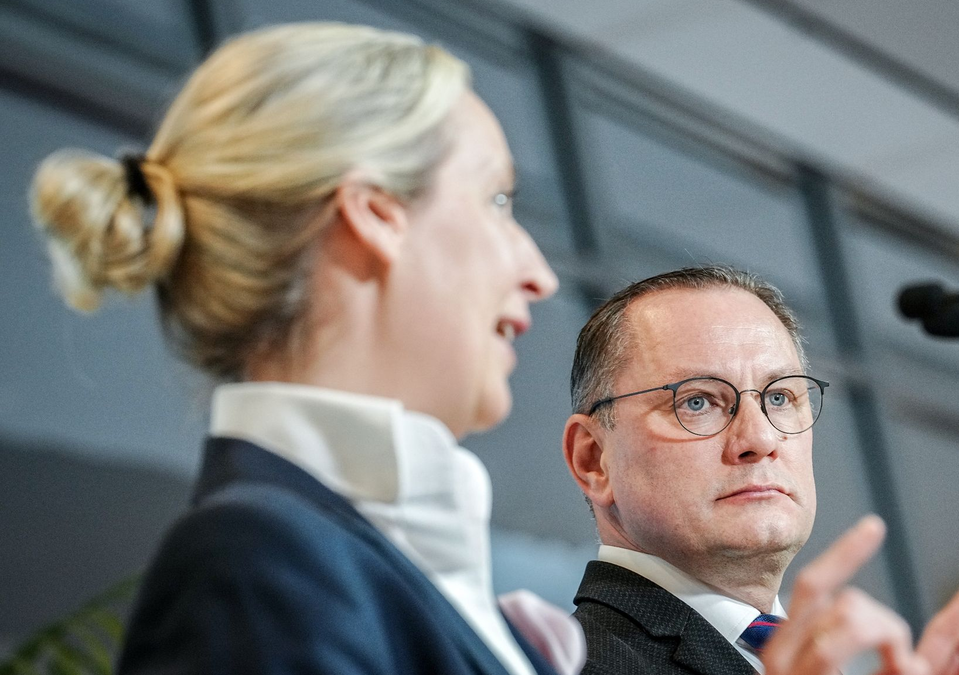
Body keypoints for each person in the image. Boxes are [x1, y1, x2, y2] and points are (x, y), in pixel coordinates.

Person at [29, 22, 579, 675]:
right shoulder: (255, 559)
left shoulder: (338, 565)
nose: (540, 273)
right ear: (375, 213)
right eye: (497, 199)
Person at [561, 266, 959, 675]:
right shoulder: (572, 665)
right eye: (697, 402)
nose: (760, 440)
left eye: (779, 397)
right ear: (593, 460)